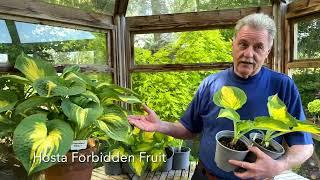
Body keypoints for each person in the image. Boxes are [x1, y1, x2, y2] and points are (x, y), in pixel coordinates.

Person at [128, 13, 314, 180]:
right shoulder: (211, 83)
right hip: (205, 176)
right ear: (232, 44)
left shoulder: (282, 85)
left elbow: (304, 146)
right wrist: (160, 125)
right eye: (243, 44)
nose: (249, 54)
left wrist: (278, 166)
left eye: (258, 47)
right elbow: (188, 129)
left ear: (267, 53)